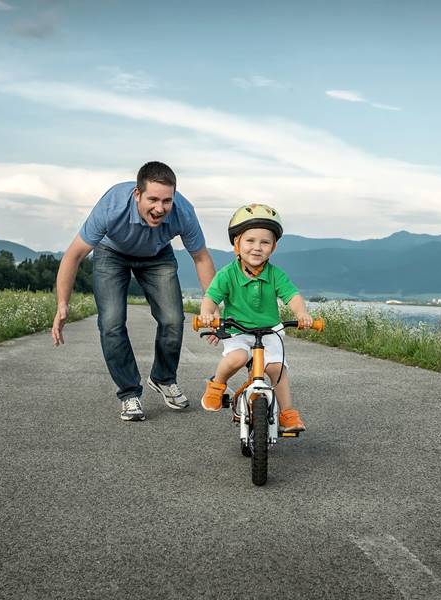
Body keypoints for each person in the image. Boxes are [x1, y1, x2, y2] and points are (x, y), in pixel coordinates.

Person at [52, 161, 216, 422]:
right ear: (137, 194)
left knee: (173, 319)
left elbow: (201, 258)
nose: (160, 208)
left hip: (157, 254)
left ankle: (163, 378)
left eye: (166, 201)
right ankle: (129, 393)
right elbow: (74, 255)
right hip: (111, 253)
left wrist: (213, 304)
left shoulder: (183, 211)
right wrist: (63, 303)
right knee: (112, 322)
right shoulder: (112, 207)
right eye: (152, 199)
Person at [198, 203, 313, 432]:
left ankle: (288, 413)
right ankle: (216, 385)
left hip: (270, 331)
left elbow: (293, 296)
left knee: (276, 368)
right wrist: (206, 314)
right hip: (237, 330)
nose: (257, 248)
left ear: (274, 247)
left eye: (265, 242)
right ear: (237, 244)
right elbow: (211, 297)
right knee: (237, 358)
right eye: (250, 241)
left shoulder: (275, 274)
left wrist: (302, 313)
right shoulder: (227, 274)